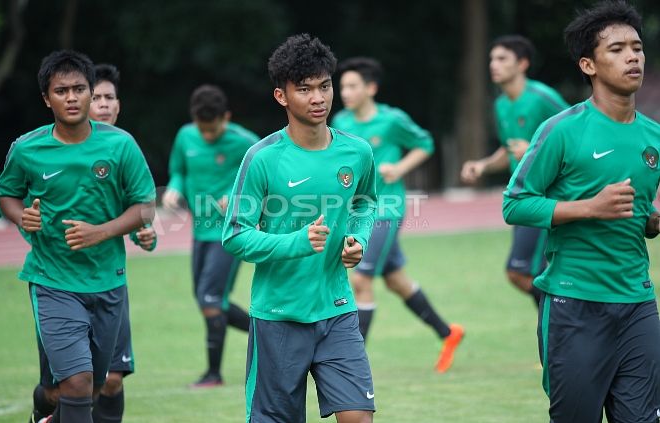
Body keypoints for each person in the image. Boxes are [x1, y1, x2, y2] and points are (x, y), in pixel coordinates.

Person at [503, 2, 660, 421]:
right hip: (575, 306)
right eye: (617, 49)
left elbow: (639, 214)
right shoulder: (563, 130)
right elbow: (514, 203)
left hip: (639, 303)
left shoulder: (653, 137)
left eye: (637, 47)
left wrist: (651, 221)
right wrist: (589, 207)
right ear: (588, 64)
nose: (632, 57)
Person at [223, 33, 377, 423]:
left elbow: (366, 203)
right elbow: (235, 234)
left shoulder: (357, 152)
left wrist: (357, 238)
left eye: (324, 86)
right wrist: (296, 242)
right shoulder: (261, 159)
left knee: (358, 417)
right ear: (281, 96)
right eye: (304, 89)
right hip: (278, 315)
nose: (318, 98)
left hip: (337, 310)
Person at [0, 50, 155, 423]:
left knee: (99, 384)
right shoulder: (27, 148)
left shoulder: (120, 145)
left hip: (108, 281)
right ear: (46, 98)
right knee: (77, 383)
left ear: (90, 92)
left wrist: (101, 232)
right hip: (52, 281)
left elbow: (145, 206)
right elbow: (6, 195)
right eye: (61, 90)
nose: (71, 97)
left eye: (79, 89)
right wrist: (24, 217)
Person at [332, 57, 464, 372]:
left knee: (361, 277)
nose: (345, 92)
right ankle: (448, 334)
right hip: (357, 210)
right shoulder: (341, 121)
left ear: (371, 88)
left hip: (386, 208)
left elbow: (425, 143)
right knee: (395, 281)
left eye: (352, 86)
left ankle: (351, 360)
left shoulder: (392, 121)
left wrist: (399, 168)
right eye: (343, 87)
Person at [461, 35, 568, 306]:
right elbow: (509, 149)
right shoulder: (500, 105)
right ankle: (557, 326)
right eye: (491, 59)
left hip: (547, 196)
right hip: (522, 197)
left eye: (501, 59)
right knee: (532, 273)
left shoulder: (543, 97)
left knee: (520, 272)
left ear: (522, 64)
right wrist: (482, 165)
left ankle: (563, 317)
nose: (493, 65)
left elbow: (578, 136)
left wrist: (535, 150)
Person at [162, 84, 256, 387]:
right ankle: (275, 329)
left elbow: (267, 169)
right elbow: (179, 170)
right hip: (200, 231)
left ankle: (213, 374)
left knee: (211, 300)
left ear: (225, 118)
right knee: (208, 300)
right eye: (202, 130)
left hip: (230, 233)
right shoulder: (185, 135)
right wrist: (175, 187)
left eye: (213, 130)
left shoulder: (245, 142)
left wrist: (237, 194)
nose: (207, 136)